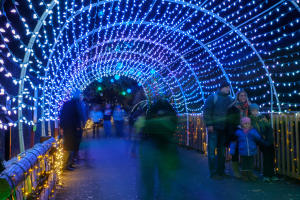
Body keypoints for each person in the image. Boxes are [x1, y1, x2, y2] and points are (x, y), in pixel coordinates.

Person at [138, 99, 181, 200]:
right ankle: (163, 195)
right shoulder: (169, 110)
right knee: (165, 176)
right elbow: (174, 125)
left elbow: (145, 127)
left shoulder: (152, 110)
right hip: (166, 146)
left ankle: (149, 195)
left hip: (152, 145)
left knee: (149, 175)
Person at [203, 80, 233, 179]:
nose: (229, 89)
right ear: (222, 87)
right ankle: (213, 173)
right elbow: (207, 111)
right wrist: (209, 124)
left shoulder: (229, 99)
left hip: (224, 129)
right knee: (212, 151)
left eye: (229, 87)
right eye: (227, 87)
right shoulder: (213, 97)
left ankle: (221, 171)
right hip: (214, 128)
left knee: (222, 151)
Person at [249, 103, 279, 182]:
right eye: (253, 110)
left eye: (256, 110)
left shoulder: (262, 117)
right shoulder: (250, 119)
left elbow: (268, 126)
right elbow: (254, 130)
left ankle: (272, 174)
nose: (254, 112)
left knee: (271, 155)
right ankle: (266, 175)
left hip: (267, 139)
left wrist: (265, 122)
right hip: (260, 139)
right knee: (266, 155)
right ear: (250, 111)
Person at [230, 117, 266, 181]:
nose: (247, 125)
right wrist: (232, 150)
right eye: (245, 124)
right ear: (242, 124)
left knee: (250, 163)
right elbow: (234, 142)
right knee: (244, 164)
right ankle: (245, 175)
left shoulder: (252, 131)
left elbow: (258, 137)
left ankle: (250, 174)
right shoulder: (238, 132)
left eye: (248, 124)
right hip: (243, 151)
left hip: (251, 150)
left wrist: (253, 133)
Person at [226, 89, 251, 178]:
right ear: (238, 97)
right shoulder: (233, 107)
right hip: (236, 131)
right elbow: (229, 121)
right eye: (241, 95)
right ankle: (236, 171)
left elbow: (253, 117)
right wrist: (233, 131)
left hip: (246, 132)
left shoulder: (249, 107)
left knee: (246, 150)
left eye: (244, 95)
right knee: (235, 150)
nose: (243, 97)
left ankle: (246, 171)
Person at [60, 90, 86, 170]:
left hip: (67, 128)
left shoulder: (66, 104)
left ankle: (68, 164)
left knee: (69, 146)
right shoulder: (76, 104)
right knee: (71, 146)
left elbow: (62, 116)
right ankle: (66, 165)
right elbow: (78, 116)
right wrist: (79, 126)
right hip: (74, 129)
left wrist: (62, 126)